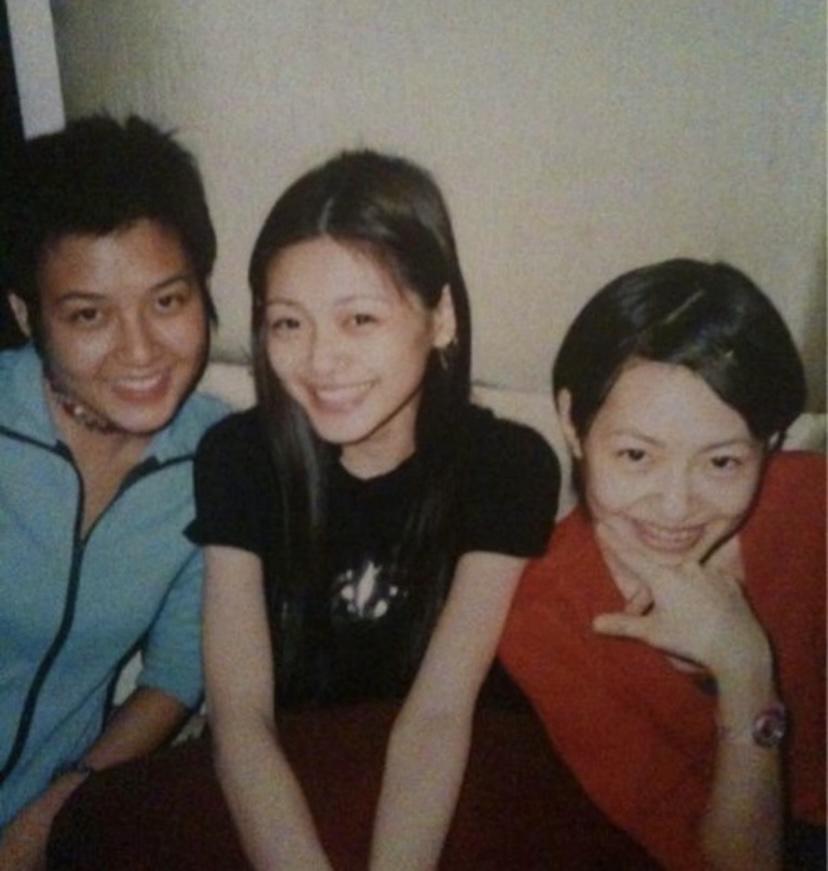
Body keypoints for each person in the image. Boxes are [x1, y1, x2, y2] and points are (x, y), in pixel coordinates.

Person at [187, 149, 560, 869]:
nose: (320, 360)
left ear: (441, 317)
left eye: (359, 318)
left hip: (445, 782)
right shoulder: (238, 458)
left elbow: (439, 713)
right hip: (282, 782)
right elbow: (239, 717)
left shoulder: (507, 466)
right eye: (288, 323)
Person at [499, 259, 825, 870]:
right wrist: (745, 670)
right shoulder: (544, 615)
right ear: (572, 423)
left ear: (772, 443)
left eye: (722, 463)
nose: (676, 507)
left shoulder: (813, 505)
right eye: (636, 456)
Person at [0, 114, 227, 869]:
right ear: (27, 315)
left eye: (167, 301)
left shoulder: (220, 461)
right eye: (89, 314)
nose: (140, 351)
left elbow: (174, 676)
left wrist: (50, 816)